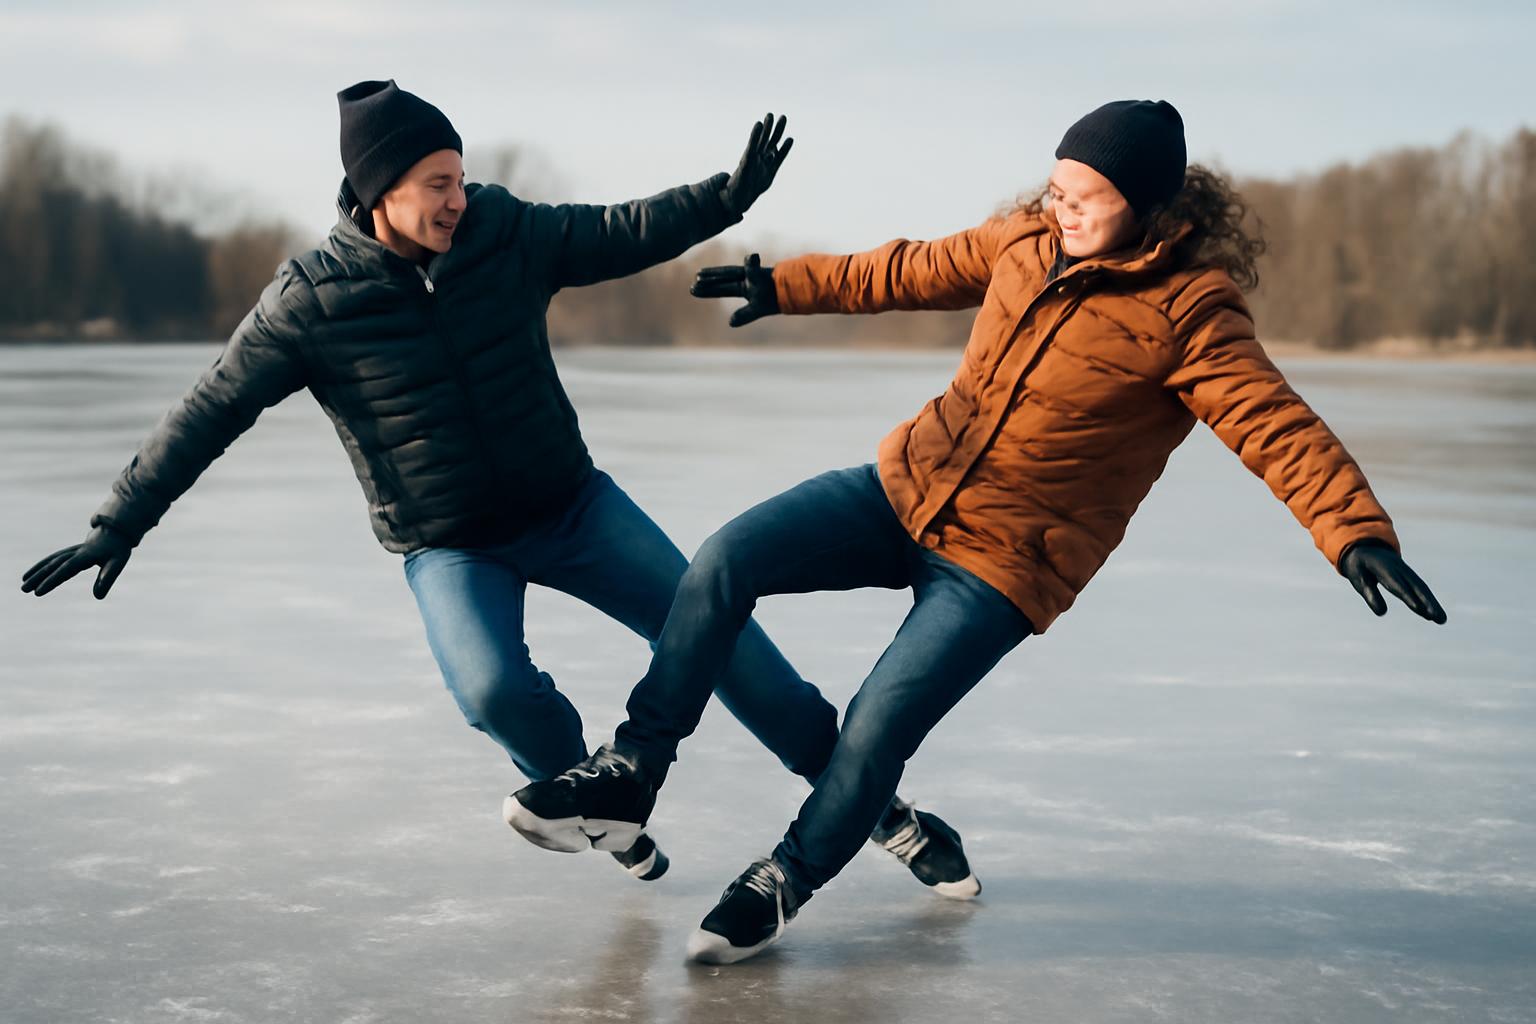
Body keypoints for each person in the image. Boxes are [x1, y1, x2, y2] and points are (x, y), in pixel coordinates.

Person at [505, 99, 1448, 962]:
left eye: (1086, 196)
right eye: (1057, 186)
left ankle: (785, 877)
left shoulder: (1191, 316)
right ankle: (633, 771)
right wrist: (786, 285)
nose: (1061, 206)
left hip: (1005, 563)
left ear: (1146, 205)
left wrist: (1354, 531)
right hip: (905, 488)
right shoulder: (1024, 242)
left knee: (878, 724)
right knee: (723, 560)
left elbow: (1274, 425)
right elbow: (908, 269)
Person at [19, 80, 982, 893]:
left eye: (460, 175)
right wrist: (121, 521)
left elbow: (618, 232)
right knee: (490, 689)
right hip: (450, 543)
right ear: (379, 191)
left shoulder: (503, 232)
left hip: (573, 507)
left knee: (734, 647)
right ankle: (589, 797)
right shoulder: (310, 302)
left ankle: (880, 812)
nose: (457, 197)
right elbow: (208, 409)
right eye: (437, 182)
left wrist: (723, 199)